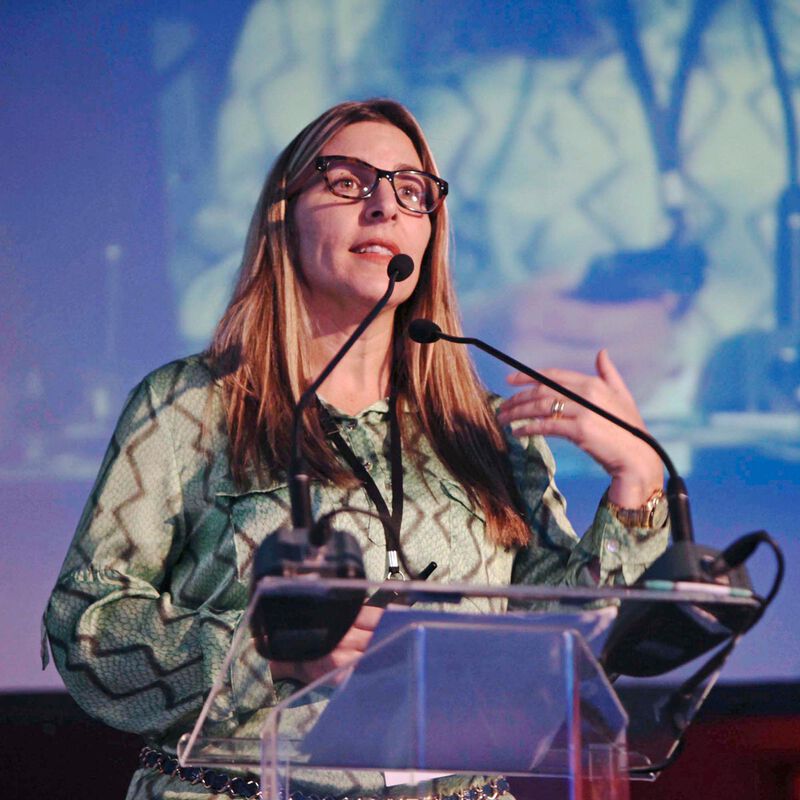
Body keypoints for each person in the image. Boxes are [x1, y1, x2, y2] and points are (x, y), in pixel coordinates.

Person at [44, 99, 668, 800]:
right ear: (283, 214)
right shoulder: (192, 404)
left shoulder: (486, 431)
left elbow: (561, 650)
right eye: (347, 181)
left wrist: (636, 480)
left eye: (411, 190)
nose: (384, 207)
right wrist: (268, 651)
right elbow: (87, 626)